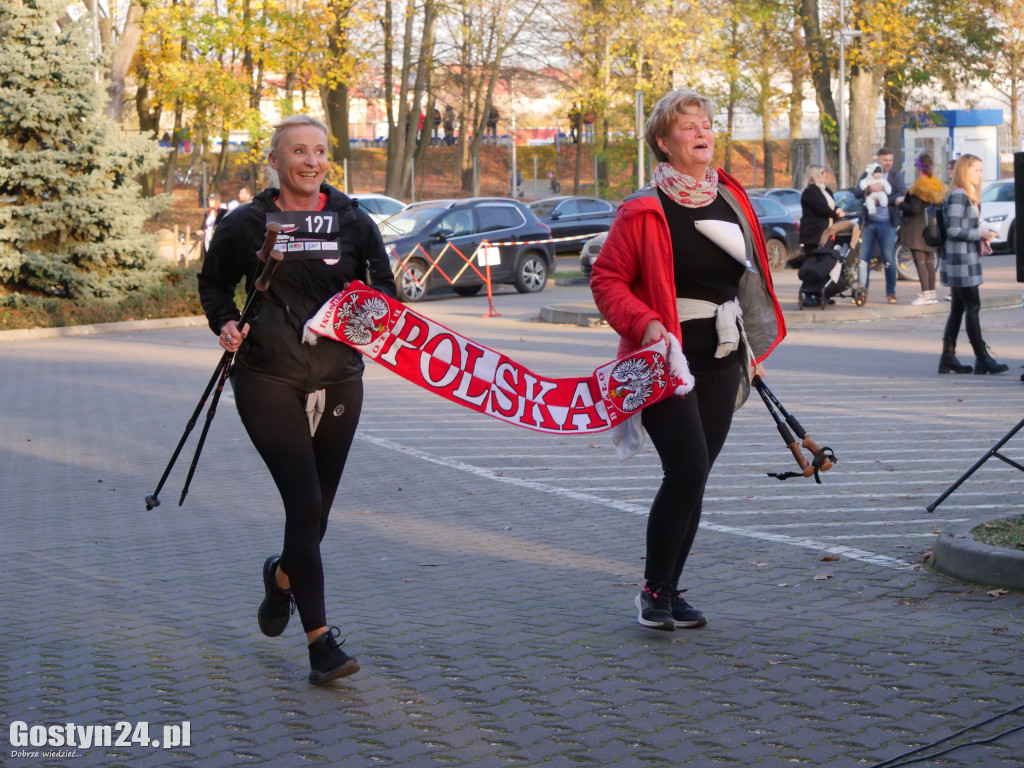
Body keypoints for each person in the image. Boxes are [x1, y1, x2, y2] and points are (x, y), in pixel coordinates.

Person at [197, 115, 397, 683]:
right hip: (268, 376)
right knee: (304, 505)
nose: (312, 162)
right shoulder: (248, 223)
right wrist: (227, 321)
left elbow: (385, 291)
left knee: (318, 513)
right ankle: (320, 645)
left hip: (338, 374)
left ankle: (282, 576)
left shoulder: (354, 221)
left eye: (320, 151)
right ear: (276, 161)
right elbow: (213, 282)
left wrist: (358, 310)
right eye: (299, 152)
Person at [590, 89, 785, 632]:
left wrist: (750, 348)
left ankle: (670, 590)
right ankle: (652, 590)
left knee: (697, 477)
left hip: (723, 359)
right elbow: (606, 280)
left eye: (706, 123)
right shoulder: (642, 209)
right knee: (687, 469)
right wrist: (644, 323)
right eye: (688, 126)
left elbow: (748, 279)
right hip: (662, 363)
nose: (702, 133)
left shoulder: (732, 199)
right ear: (663, 141)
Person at [937, 153, 1008, 375]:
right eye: (976, 170)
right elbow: (954, 229)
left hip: (961, 259)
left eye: (980, 170)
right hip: (961, 261)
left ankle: (948, 358)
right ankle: (981, 357)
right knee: (972, 307)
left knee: (958, 309)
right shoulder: (959, 194)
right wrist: (981, 233)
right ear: (964, 171)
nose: (980, 174)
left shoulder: (962, 194)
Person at [853, 147, 907, 303]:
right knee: (863, 258)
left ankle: (891, 292)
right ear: (878, 160)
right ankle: (862, 291)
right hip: (869, 223)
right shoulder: (867, 174)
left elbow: (901, 194)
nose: (888, 163)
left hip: (888, 223)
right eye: (885, 160)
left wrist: (883, 200)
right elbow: (857, 192)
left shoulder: (896, 176)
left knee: (889, 258)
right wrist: (869, 189)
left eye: (890, 160)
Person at [899, 154, 945, 305]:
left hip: (916, 229)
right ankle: (931, 294)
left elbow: (914, 208)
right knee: (929, 261)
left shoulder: (919, 186)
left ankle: (925, 294)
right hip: (930, 228)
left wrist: (899, 203)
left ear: (918, 167)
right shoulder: (937, 184)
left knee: (920, 261)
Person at [799, 164, 845, 263]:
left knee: (826, 260)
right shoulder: (810, 191)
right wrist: (836, 214)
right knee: (813, 261)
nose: (824, 175)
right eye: (822, 173)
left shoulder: (826, 190)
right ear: (814, 175)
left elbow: (831, 206)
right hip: (814, 233)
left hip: (827, 231)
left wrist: (838, 209)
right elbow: (821, 208)